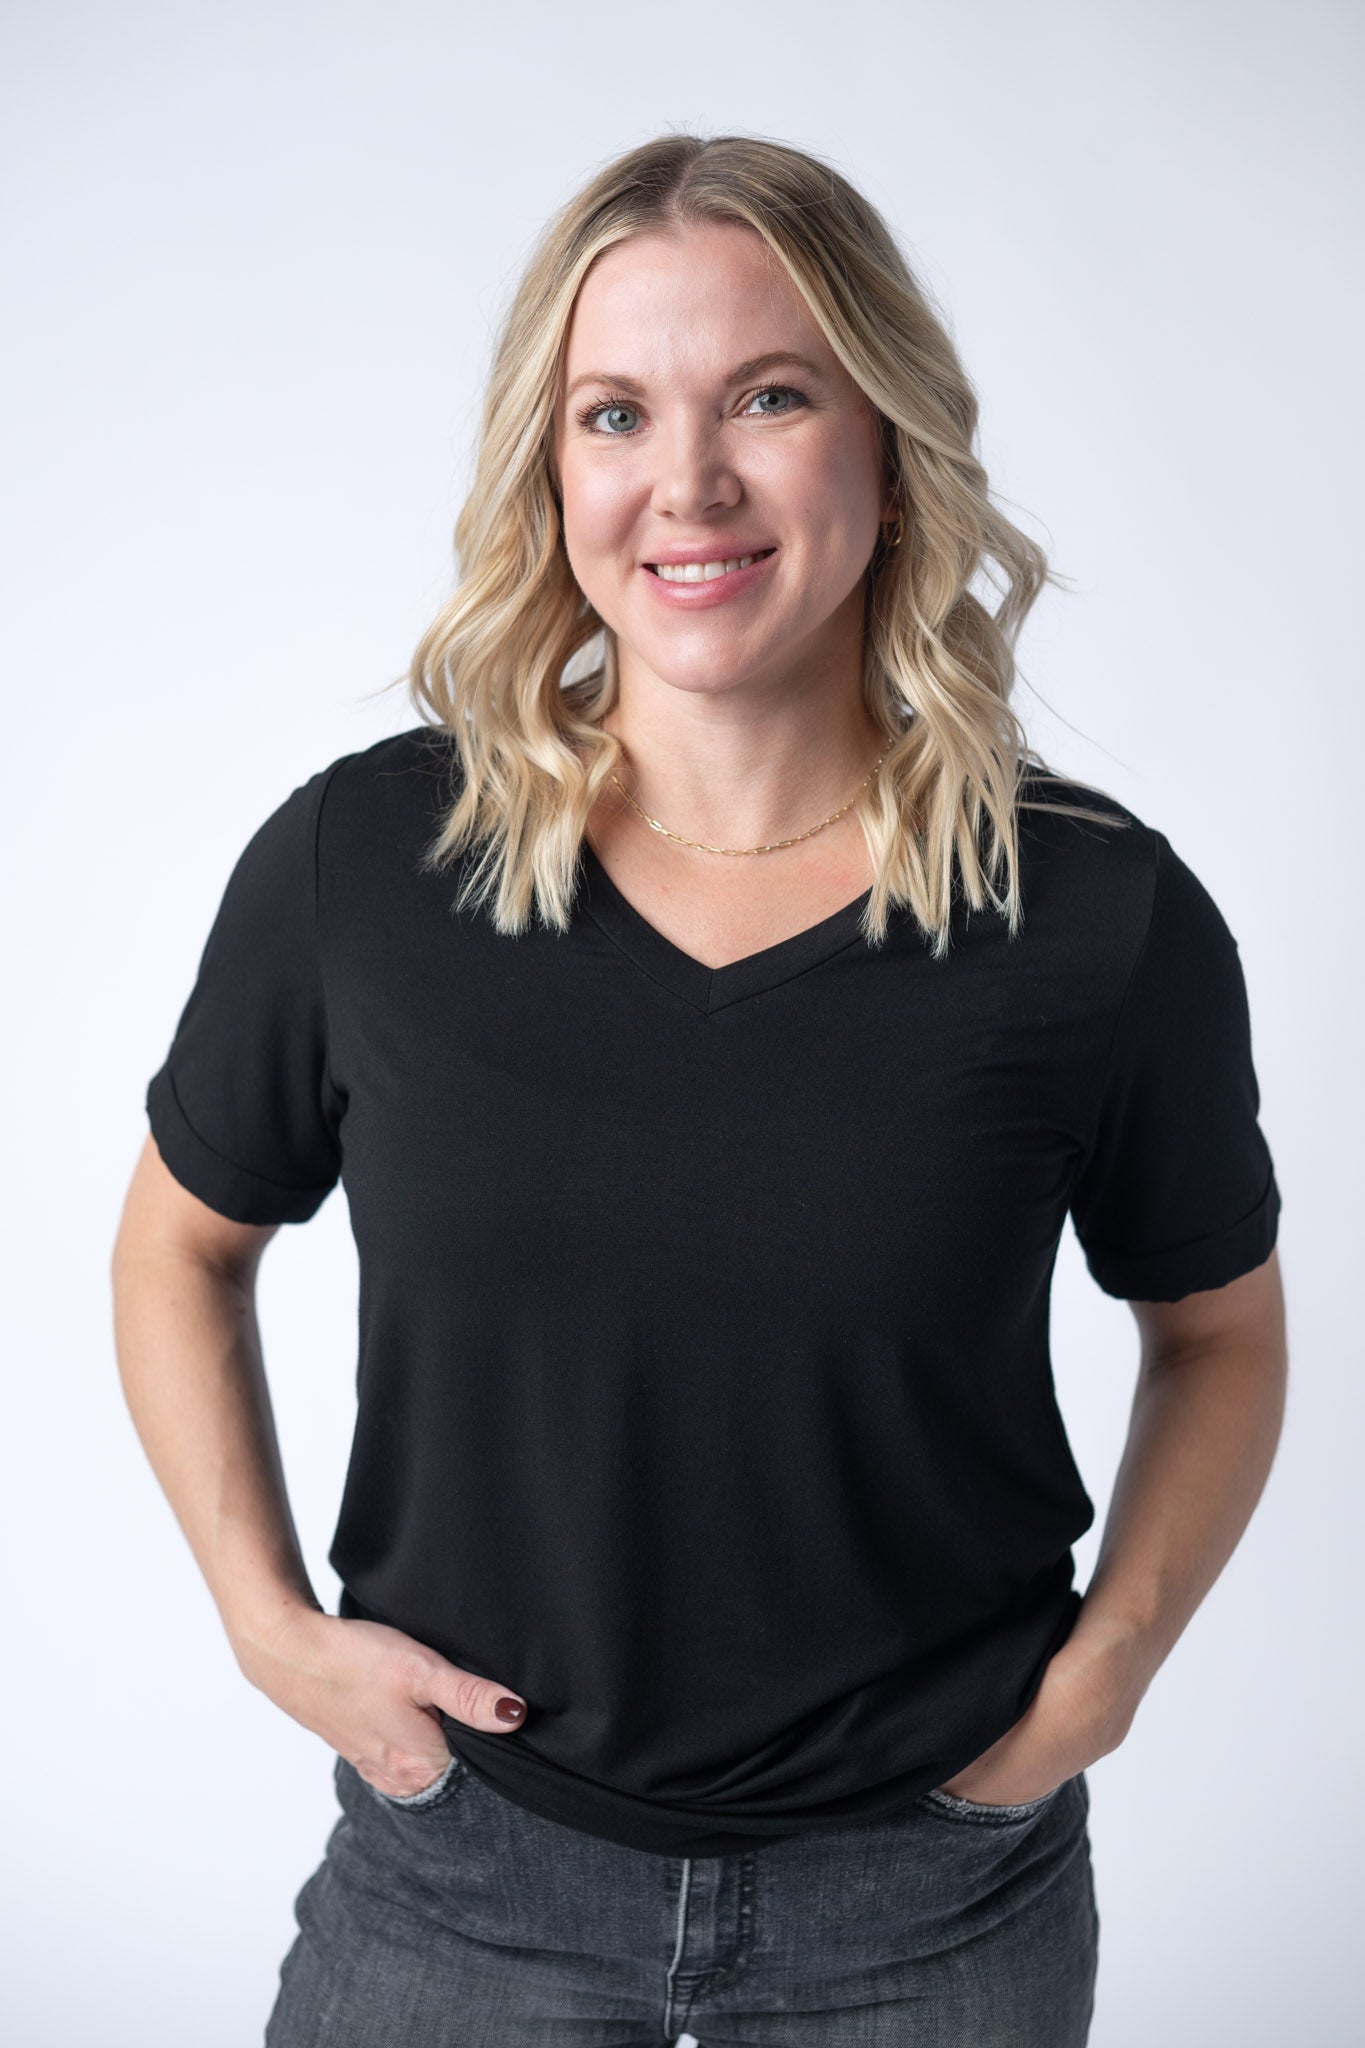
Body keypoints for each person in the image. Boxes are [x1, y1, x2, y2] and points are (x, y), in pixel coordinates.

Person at [111, 132, 1287, 2047]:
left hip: (931, 1906)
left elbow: (1218, 1332)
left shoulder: (1092, 913)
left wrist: (1103, 1681)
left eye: (767, 396)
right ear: (550, 468)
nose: (689, 482)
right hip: (461, 1883)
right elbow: (179, 1246)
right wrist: (266, 1626)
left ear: (886, 442)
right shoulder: (364, 869)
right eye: (614, 414)